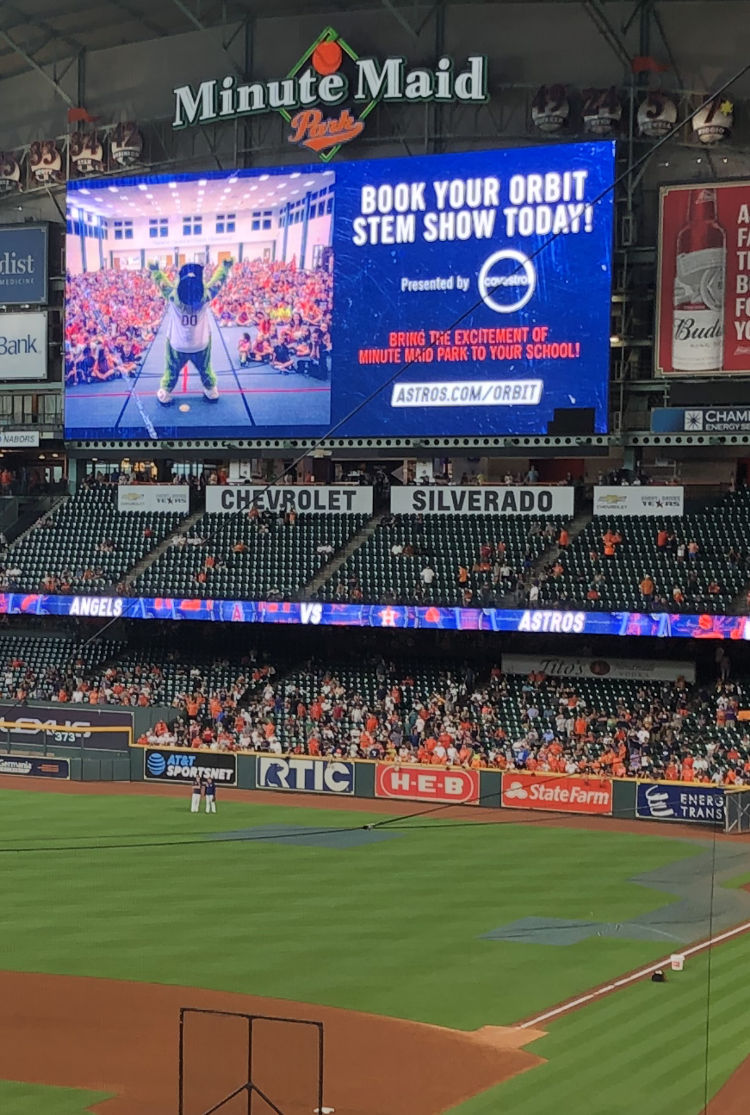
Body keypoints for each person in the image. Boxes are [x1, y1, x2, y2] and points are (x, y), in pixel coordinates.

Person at [149, 258, 233, 405]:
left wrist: (156, 270)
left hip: (178, 344)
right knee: (205, 367)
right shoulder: (205, 297)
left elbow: (163, 284)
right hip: (200, 343)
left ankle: (165, 391)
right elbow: (217, 283)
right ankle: (211, 390)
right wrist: (225, 267)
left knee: (172, 369)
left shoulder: (174, 297)